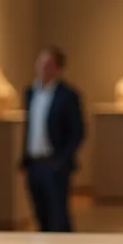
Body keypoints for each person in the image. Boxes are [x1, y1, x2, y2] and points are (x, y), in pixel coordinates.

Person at [21, 46, 85, 232]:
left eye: (47, 64)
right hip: (35, 164)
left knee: (58, 216)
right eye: (39, 63)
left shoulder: (68, 95)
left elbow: (78, 132)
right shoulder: (31, 92)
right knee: (40, 214)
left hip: (54, 164)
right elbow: (29, 127)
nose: (41, 68)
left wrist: (62, 160)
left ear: (58, 68)